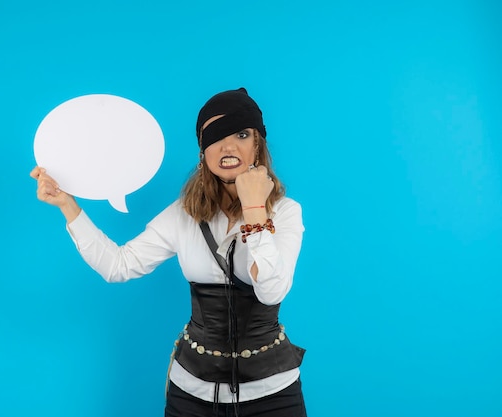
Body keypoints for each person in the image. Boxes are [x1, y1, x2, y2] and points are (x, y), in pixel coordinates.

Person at [31, 88, 307, 417]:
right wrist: (67, 205)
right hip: (191, 392)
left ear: (257, 145)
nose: (228, 146)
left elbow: (271, 289)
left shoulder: (285, 213)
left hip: (272, 392)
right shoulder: (183, 214)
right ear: (203, 152)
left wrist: (254, 208)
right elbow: (118, 266)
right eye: (215, 137)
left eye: (242, 134)